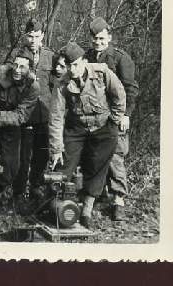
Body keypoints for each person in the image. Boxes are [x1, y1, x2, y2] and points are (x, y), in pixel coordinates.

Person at [49, 42, 126, 229]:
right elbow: (56, 117)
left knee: (97, 166)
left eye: (75, 64)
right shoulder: (62, 84)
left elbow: (120, 95)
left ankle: (87, 209)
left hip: (103, 127)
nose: (72, 70)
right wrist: (56, 149)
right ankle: (56, 206)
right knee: (63, 166)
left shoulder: (102, 72)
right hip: (77, 127)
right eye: (68, 66)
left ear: (84, 61)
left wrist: (114, 120)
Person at [85, 17, 139, 220]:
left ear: (109, 37)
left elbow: (131, 89)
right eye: (94, 38)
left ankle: (118, 200)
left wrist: (126, 114)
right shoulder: (87, 56)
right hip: (94, 116)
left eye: (101, 38)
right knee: (95, 155)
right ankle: (98, 194)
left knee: (116, 156)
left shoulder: (120, 58)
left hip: (115, 115)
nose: (97, 42)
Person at [0, 48, 40, 208]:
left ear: (30, 69)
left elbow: (21, 116)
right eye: (15, 65)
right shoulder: (2, 71)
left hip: (10, 122)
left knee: (11, 165)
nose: (17, 70)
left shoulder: (33, 87)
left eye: (22, 67)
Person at [8, 18, 55, 199]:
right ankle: (18, 191)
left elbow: (55, 84)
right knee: (23, 156)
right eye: (30, 36)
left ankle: (36, 186)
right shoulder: (17, 55)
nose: (33, 40)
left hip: (44, 113)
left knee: (41, 155)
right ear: (26, 37)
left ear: (42, 35)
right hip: (26, 113)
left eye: (37, 36)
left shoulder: (51, 56)